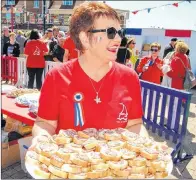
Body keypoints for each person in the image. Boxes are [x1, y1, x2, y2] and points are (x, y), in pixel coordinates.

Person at [31, 2, 147, 144]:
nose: (118, 39)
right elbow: (45, 123)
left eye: (120, 33)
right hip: (70, 163)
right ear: (85, 38)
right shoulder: (57, 76)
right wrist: (41, 140)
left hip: (116, 164)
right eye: (110, 32)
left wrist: (144, 146)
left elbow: (135, 124)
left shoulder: (130, 77)